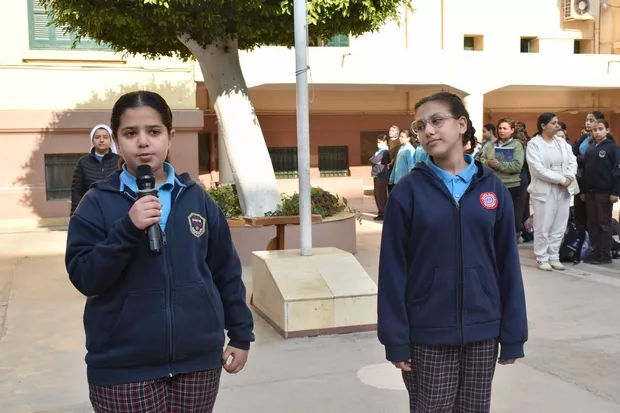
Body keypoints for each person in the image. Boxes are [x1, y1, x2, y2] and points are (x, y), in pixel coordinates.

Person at [65, 91, 254, 413]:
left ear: (170, 137)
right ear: (117, 142)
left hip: (198, 362)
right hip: (122, 367)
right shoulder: (96, 203)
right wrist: (127, 229)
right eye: (130, 133)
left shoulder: (196, 199)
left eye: (153, 131)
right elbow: (85, 276)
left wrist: (240, 333)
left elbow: (225, 270)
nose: (143, 142)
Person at [378, 91, 528, 413]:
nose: (428, 131)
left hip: (483, 331)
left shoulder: (492, 187)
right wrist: (395, 338)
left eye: (437, 120)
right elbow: (393, 269)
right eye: (420, 126)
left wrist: (513, 332)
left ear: (461, 125)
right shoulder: (408, 191)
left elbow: (507, 263)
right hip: (427, 333)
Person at [525, 113, 578, 271]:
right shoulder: (534, 144)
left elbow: (572, 160)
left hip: (564, 189)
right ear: (543, 126)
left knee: (559, 225)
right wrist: (560, 179)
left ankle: (554, 256)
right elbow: (538, 169)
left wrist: (569, 177)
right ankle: (542, 257)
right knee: (543, 225)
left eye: (557, 122)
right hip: (544, 190)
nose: (557, 125)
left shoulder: (561, 142)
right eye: (553, 123)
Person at [581, 119, 620, 265]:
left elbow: (617, 171)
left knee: (604, 223)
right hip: (590, 191)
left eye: (600, 129)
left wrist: (615, 192)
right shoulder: (590, 148)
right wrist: (583, 190)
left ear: (607, 130)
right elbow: (586, 171)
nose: (597, 132)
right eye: (594, 130)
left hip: (605, 192)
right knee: (593, 223)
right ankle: (595, 251)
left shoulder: (612, 148)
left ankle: (605, 253)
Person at [70, 124, 119, 216]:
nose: (101, 140)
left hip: (115, 210)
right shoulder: (83, 162)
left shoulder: (119, 161)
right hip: (90, 210)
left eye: (105, 137)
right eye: (97, 137)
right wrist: (75, 216)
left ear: (111, 140)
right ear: (92, 140)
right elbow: (76, 191)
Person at [370, 134, 391, 221]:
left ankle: (384, 213)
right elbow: (372, 160)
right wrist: (375, 161)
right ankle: (380, 211)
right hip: (376, 173)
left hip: (381, 174)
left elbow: (374, 160)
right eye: (377, 142)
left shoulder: (385, 151)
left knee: (381, 194)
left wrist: (375, 160)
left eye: (380, 142)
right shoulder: (379, 151)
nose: (378, 144)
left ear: (385, 142)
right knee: (376, 193)